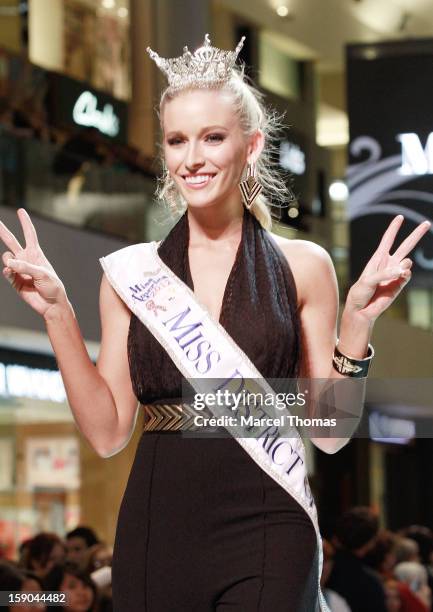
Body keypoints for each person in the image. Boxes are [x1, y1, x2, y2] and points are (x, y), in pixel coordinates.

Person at [0, 34, 430, 612]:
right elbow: (106, 433)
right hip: (159, 519)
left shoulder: (303, 265)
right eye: (177, 140)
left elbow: (328, 431)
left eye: (212, 137)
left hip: (269, 519)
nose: (191, 158)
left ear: (250, 146)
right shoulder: (132, 274)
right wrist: (57, 315)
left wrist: (357, 319)